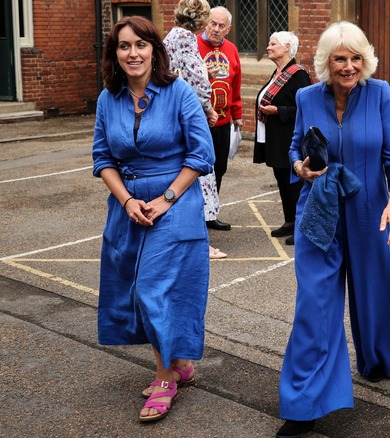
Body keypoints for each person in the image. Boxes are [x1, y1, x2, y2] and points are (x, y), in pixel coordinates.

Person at [276, 21, 390, 437]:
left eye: (355, 58)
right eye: (340, 59)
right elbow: (295, 147)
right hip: (320, 210)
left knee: (377, 291)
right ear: (326, 62)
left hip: (372, 208)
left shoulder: (380, 93)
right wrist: (300, 168)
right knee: (314, 303)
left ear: (364, 60)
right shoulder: (306, 96)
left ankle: (379, 358)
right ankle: (303, 404)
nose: (348, 66)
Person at [92, 16, 214, 421]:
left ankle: (165, 379)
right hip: (127, 206)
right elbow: (103, 159)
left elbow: (202, 154)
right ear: (115, 54)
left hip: (175, 204)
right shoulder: (107, 99)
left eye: (141, 45)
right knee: (133, 288)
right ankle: (179, 363)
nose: (133, 53)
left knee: (152, 288)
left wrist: (165, 199)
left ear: (154, 51)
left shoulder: (179, 92)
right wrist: (127, 200)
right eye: (124, 46)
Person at [164, 0, 226, 260]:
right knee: (198, 175)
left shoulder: (171, 36)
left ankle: (184, 239)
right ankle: (201, 244)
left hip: (173, 115)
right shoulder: (186, 39)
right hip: (187, 118)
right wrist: (208, 108)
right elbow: (196, 80)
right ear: (201, 20)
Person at [253, 31, 312, 247]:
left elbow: (306, 109)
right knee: (282, 182)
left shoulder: (298, 75)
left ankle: (301, 227)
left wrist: (279, 111)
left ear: (287, 47)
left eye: (273, 44)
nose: (268, 47)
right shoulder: (277, 73)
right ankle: (290, 221)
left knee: (294, 185)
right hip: (275, 139)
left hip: (290, 139)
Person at [198, 6, 243, 231]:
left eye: (221, 26)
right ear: (206, 23)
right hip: (199, 122)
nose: (216, 29)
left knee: (219, 168)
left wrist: (237, 115)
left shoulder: (232, 50)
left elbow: (236, 86)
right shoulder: (193, 46)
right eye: (212, 23)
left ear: (228, 29)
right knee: (198, 169)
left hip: (223, 123)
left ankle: (210, 214)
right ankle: (195, 214)